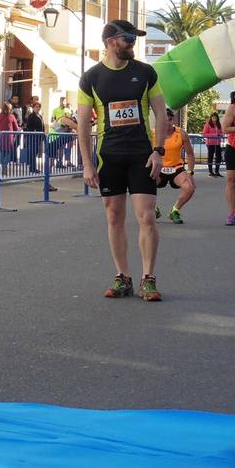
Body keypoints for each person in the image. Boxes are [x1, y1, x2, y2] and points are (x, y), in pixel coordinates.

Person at [77, 19, 169, 302]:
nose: (132, 42)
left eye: (134, 38)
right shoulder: (91, 78)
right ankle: (122, 277)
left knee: (146, 216)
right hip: (109, 157)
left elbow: (161, 115)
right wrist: (88, 164)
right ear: (110, 41)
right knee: (114, 217)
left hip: (142, 156)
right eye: (128, 38)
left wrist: (158, 150)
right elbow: (82, 124)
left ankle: (148, 279)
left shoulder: (145, 73)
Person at [155, 109, 196, 224]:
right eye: (164, 120)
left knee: (189, 187)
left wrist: (190, 172)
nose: (167, 123)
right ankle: (154, 209)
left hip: (176, 168)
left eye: (170, 119)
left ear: (173, 120)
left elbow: (190, 154)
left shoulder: (181, 133)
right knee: (143, 184)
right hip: (159, 167)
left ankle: (175, 210)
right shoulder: (153, 134)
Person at [222, 90, 235, 226]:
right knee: (232, 181)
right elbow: (225, 128)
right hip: (234, 148)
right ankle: (232, 213)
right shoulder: (234, 108)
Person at [22, 97, 46, 175]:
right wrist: (34, 130)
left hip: (39, 137)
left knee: (35, 152)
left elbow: (42, 125)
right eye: (36, 107)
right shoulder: (31, 116)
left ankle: (34, 167)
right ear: (33, 108)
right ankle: (32, 168)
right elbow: (28, 126)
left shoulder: (39, 115)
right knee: (32, 152)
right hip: (33, 137)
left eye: (39, 107)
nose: (37, 108)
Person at [0, 101, 19, 166]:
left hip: (0, 137)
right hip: (9, 138)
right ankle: (5, 165)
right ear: (10, 109)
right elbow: (16, 128)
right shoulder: (11, 116)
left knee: (1, 152)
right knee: (8, 152)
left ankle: (2, 165)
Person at [202, 112, 224, 177]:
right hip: (210, 143)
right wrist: (213, 135)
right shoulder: (208, 125)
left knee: (219, 157)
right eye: (213, 118)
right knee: (210, 157)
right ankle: (210, 172)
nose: (214, 119)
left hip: (217, 143)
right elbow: (204, 134)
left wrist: (221, 135)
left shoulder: (219, 125)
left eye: (216, 118)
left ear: (217, 118)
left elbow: (221, 132)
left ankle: (217, 171)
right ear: (211, 118)